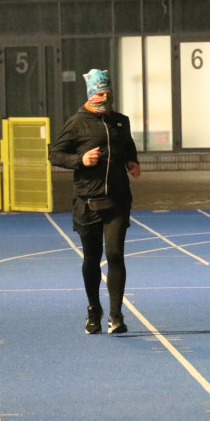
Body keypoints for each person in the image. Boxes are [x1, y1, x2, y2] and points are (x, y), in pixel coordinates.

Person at [49, 69, 141, 335]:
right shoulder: (77, 122)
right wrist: (80, 160)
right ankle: (93, 310)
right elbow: (55, 154)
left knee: (115, 254)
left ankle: (116, 315)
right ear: (91, 94)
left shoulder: (120, 122)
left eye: (108, 93)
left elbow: (127, 146)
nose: (105, 98)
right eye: (100, 93)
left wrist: (132, 162)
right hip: (87, 201)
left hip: (118, 200)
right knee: (92, 258)